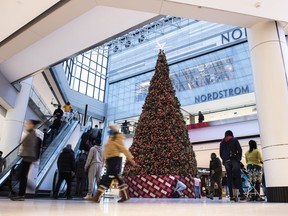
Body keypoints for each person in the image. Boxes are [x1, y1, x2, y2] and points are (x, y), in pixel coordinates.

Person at [90, 125, 136, 203]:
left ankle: (98, 196)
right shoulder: (111, 138)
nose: (109, 131)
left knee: (108, 178)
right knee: (114, 177)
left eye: (111, 130)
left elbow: (123, 148)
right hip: (110, 160)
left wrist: (130, 158)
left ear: (114, 130)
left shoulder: (118, 138)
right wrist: (105, 161)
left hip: (115, 160)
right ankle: (125, 195)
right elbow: (107, 150)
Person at [11, 120, 42, 201]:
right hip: (27, 157)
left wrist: (30, 157)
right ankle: (23, 192)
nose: (27, 125)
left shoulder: (32, 134)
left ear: (32, 125)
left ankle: (22, 194)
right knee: (21, 175)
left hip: (28, 157)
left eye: (28, 123)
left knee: (22, 175)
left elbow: (31, 147)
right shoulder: (30, 133)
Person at [219, 130, 244, 202]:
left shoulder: (222, 143)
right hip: (234, 160)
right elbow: (239, 149)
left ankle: (231, 196)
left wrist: (224, 159)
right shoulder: (234, 140)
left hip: (226, 161)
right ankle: (241, 195)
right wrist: (239, 158)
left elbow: (220, 153)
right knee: (238, 177)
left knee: (229, 178)